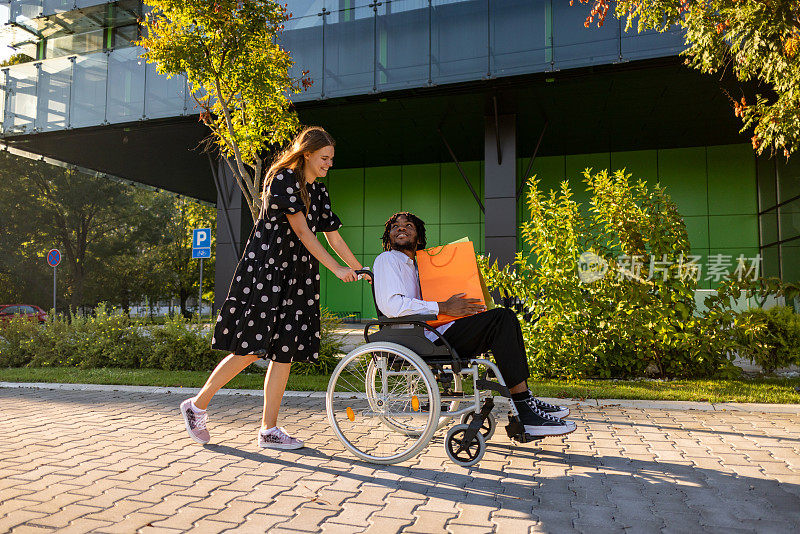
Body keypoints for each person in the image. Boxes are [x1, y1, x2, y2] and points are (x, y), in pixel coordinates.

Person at [181, 127, 365, 449]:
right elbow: (304, 233)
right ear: (306, 153)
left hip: (298, 274)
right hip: (269, 270)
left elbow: (332, 235)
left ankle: (269, 430)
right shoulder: (283, 179)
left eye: (331, 159)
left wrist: (358, 267)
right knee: (251, 348)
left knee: (285, 353)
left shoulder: (318, 192)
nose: (329, 164)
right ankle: (197, 406)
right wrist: (336, 268)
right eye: (324, 158)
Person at [372, 212, 577, 437]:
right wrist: (443, 307)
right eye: (395, 226)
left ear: (419, 238)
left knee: (503, 318)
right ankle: (525, 409)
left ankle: (526, 401)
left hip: (434, 331)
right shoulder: (388, 260)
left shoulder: (419, 266)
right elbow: (391, 306)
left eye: (408, 225)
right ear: (388, 236)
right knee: (502, 320)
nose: (401, 228)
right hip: (419, 338)